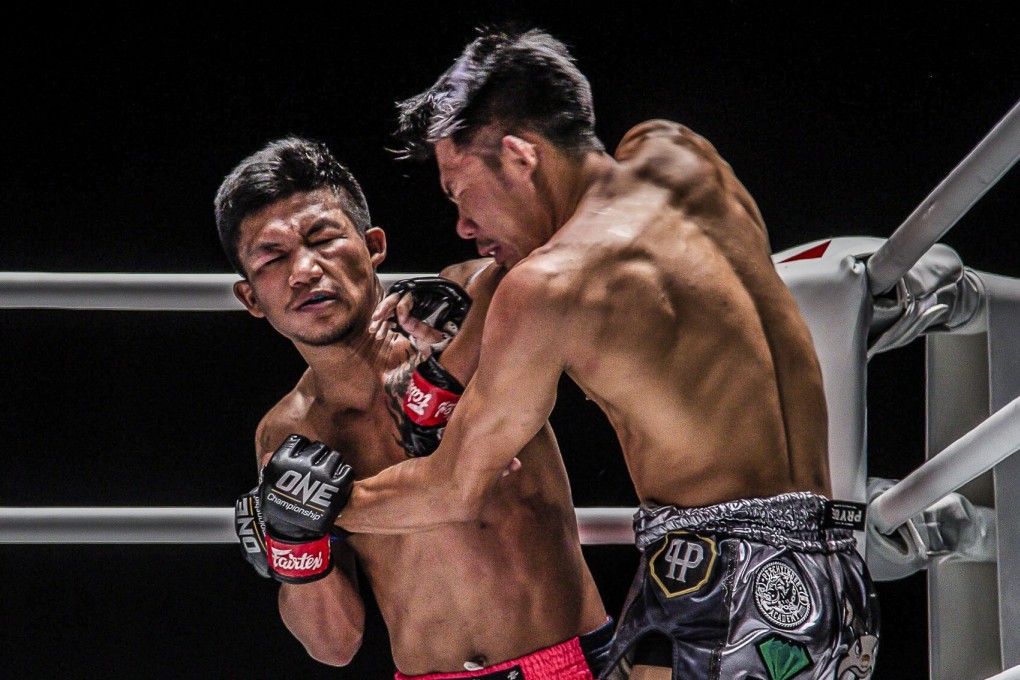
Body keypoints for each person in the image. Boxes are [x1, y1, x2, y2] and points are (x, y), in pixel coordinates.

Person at [328, 28, 880, 680]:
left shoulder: (549, 287)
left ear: (520, 156)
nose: (463, 225)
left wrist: (319, 509)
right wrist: (473, 308)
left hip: (718, 591)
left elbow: (454, 489)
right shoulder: (680, 153)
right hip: (834, 575)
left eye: (459, 191)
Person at [215, 136, 611, 679]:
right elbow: (334, 645)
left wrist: (462, 320)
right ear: (251, 298)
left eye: (323, 238)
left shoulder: (472, 312)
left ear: (373, 245)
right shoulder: (289, 431)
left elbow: (543, 254)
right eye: (273, 257)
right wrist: (293, 545)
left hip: (566, 664)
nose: (304, 270)